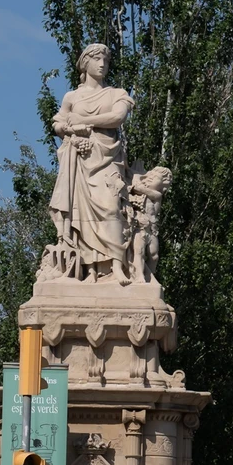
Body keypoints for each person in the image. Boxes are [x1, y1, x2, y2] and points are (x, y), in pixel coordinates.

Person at [47, 43, 135, 284]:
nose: (102, 64)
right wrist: (67, 127)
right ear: (85, 64)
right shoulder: (72, 97)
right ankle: (90, 270)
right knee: (81, 217)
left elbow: (117, 118)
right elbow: (57, 124)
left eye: (106, 60)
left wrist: (83, 119)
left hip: (108, 158)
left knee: (111, 207)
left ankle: (117, 266)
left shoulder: (117, 94)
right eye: (97, 59)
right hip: (80, 160)